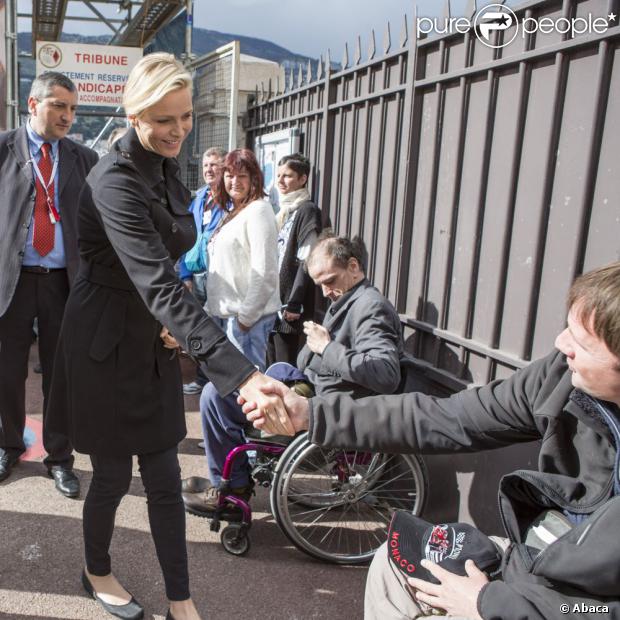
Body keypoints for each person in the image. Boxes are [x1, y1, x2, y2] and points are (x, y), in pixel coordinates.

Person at [46, 53, 291, 620]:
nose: (178, 130)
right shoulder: (112, 180)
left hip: (156, 338)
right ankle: (96, 569)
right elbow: (157, 281)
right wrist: (243, 377)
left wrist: (177, 328)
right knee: (109, 476)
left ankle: (181, 601)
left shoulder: (166, 166)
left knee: (162, 476)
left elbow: (170, 272)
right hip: (104, 343)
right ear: (135, 115)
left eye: (184, 117)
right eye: (164, 119)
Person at [243, 261, 620, 620]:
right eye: (567, 327)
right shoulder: (561, 377)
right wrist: (311, 414)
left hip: (571, 605)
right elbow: (450, 417)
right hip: (541, 562)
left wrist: (491, 603)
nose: (561, 343)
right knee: (395, 561)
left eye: (583, 343)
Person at [183, 231, 405, 514]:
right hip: (311, 391)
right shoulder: (352, 300)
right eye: (320, 284)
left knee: (216, 395)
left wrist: (326, 348)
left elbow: (386, 374)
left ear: (353, 266)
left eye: (330, 281)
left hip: (322, 408)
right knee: (223, 388)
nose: (325, 292)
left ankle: (234, 488)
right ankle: (232, 480)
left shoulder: (370, 307)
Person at [0, 72, 98, 496]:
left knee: (62, 374)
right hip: (13, 280)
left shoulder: (83, 158)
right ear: (33, 104)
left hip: (64, 282)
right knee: (6, 371)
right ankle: (7, 445)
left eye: (73, 109)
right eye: (59, 105)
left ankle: (59, 457)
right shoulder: (4, 150)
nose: (67, 116)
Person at [204, 147, 280, 371]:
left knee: (245, 396)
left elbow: (265, 271)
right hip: (227, 318)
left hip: (247, 322)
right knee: (231, 393)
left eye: (242, 175)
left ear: (254, 179)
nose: (235, 181)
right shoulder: (233, 212)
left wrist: (245, 320)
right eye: (229, 175)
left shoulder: (258, 210)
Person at [179, 146, 227, 395]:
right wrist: (185, 275)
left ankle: (213, 380)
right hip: (195, 274)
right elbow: (188, 237)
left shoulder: (231, 200)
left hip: (219, 276)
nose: (209, 169)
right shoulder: (198, 198)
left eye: (214, 165)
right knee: (198, 328)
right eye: (206, 165)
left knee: (217, 330)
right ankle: (201, 377)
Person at [266, 153, 322, 366]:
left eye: (287, 176)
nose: (280, 181)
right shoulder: (284, 211)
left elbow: (307, 258)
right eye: (278, 175)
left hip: (289, 303)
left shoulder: (308, 210)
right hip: (273, 298)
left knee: (283, 363)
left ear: (302, 179)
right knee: (270, 359)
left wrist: (294, 302)